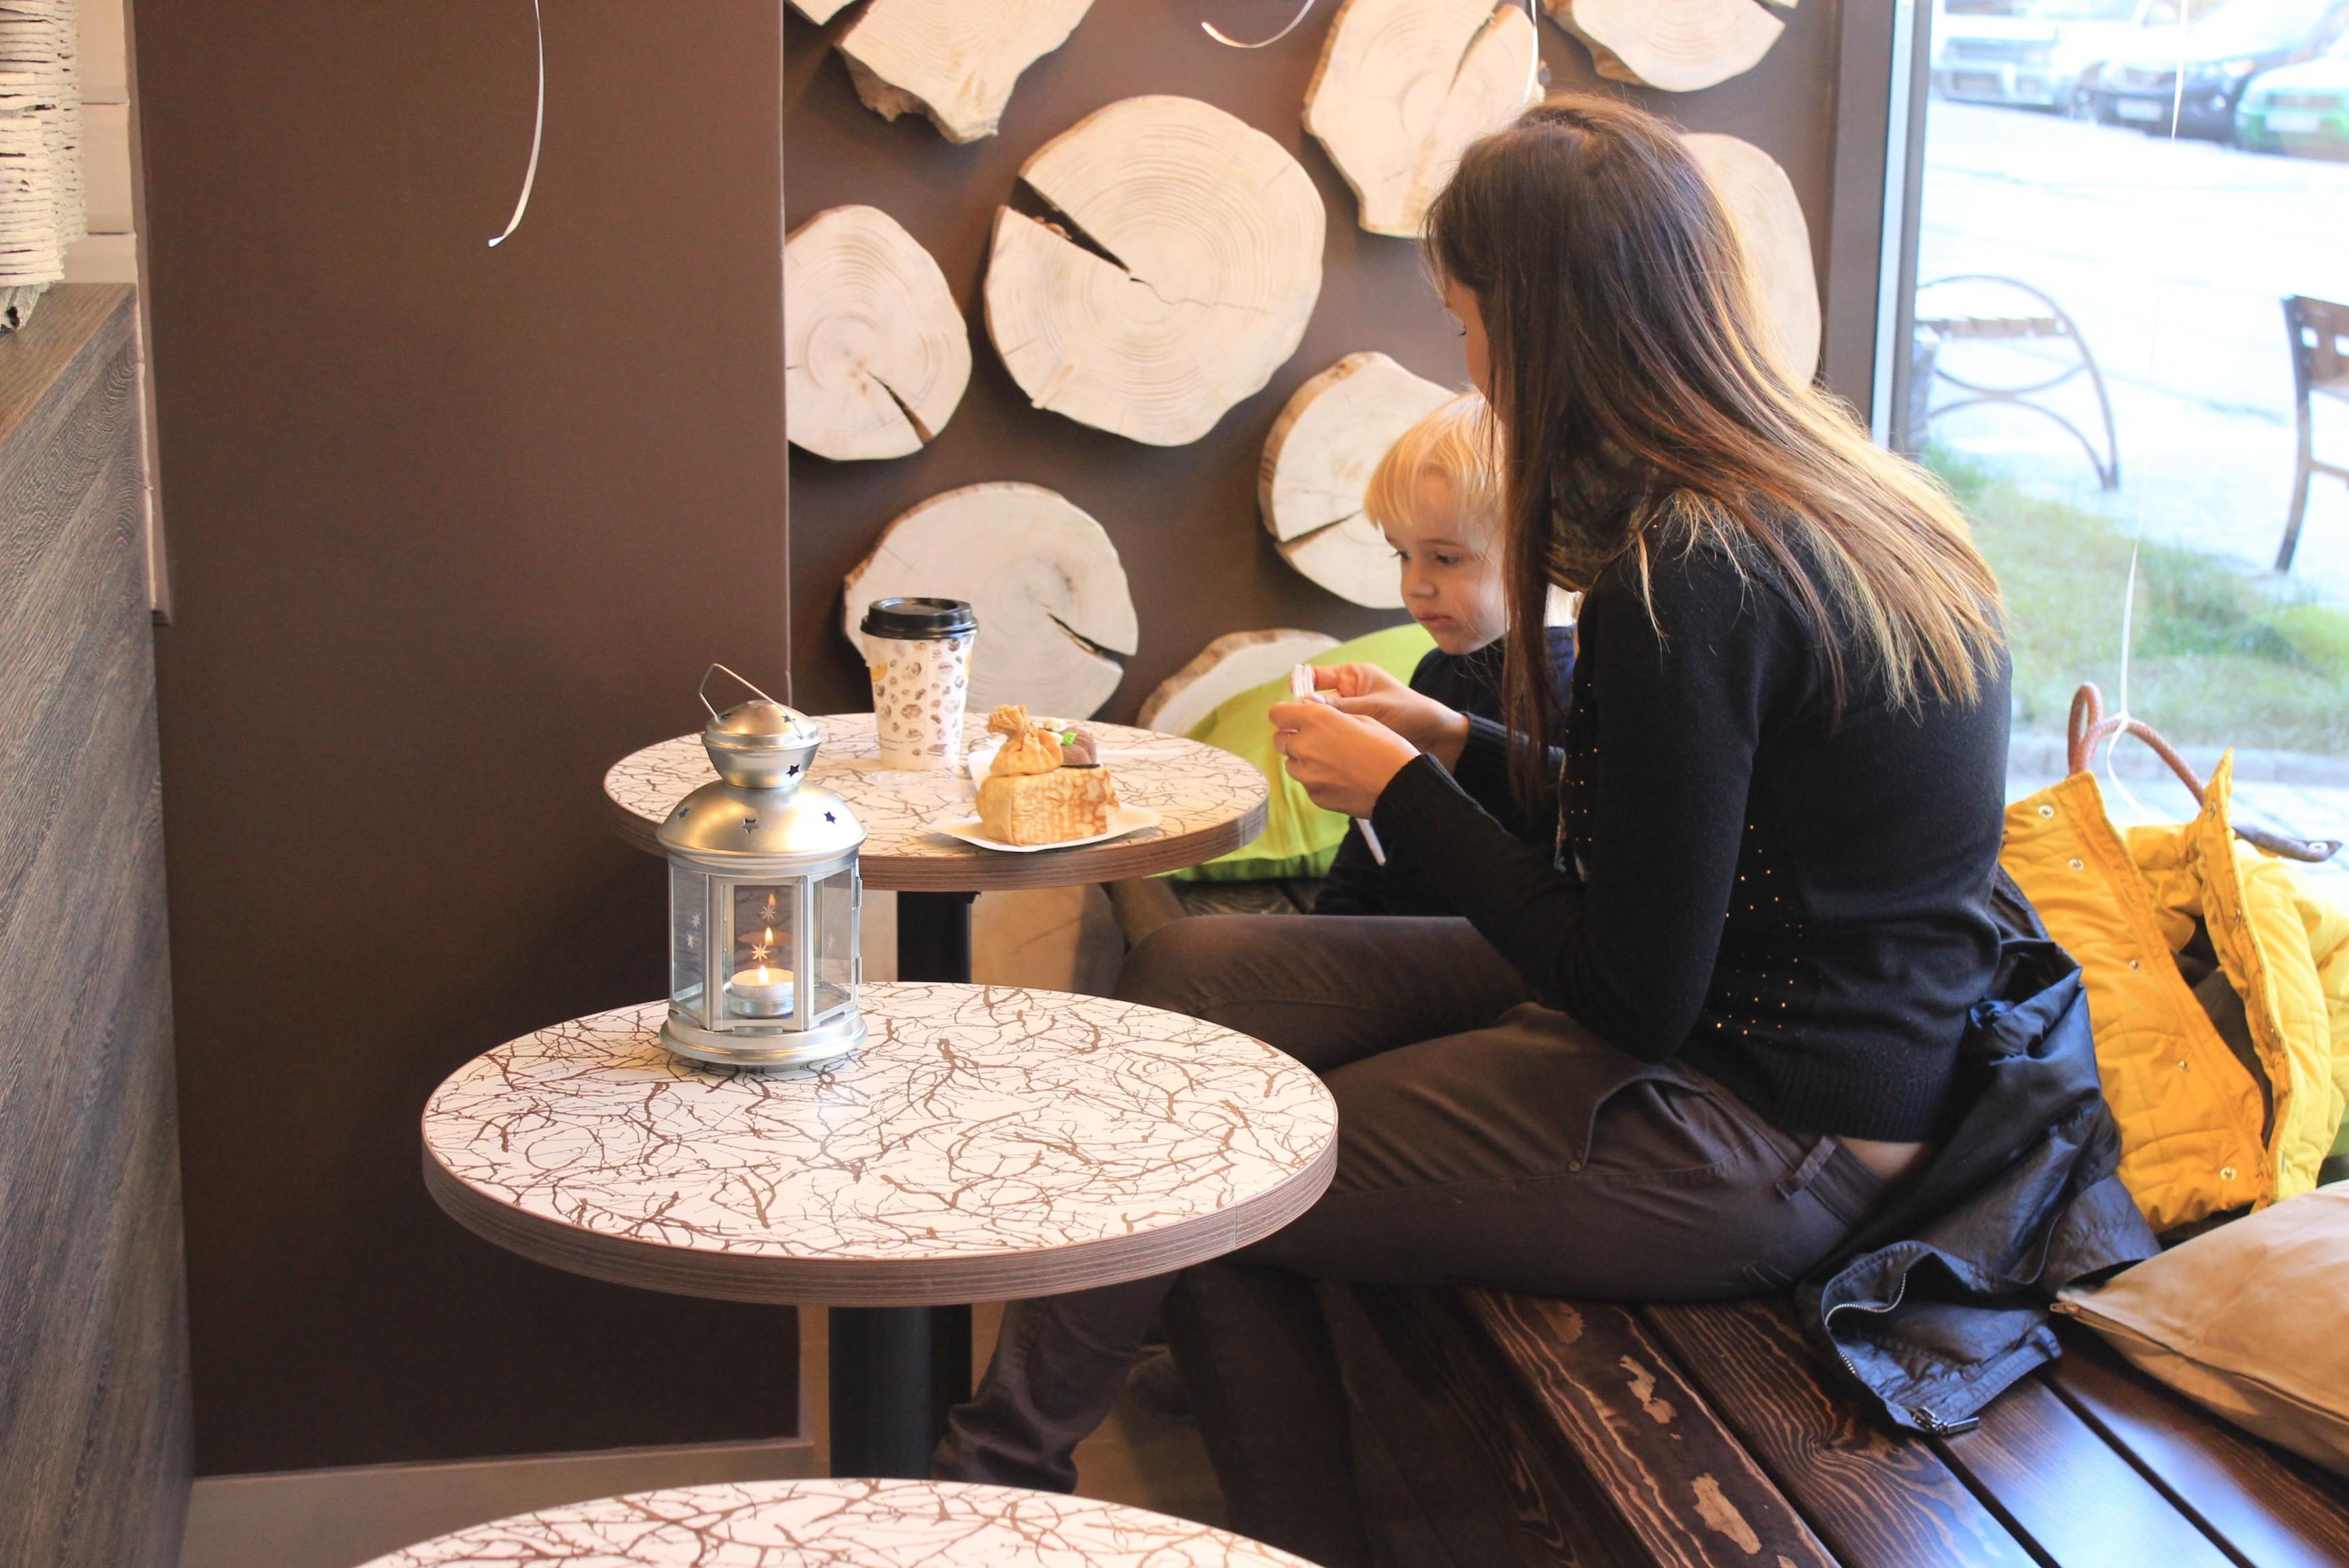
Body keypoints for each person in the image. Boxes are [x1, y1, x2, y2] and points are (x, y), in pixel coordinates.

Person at [937, 95, 2011, 1568]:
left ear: (1545, 324)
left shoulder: (1690, 572)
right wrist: (1458, 744)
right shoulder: (1816, 498)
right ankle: (1004, 1473)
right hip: (1752, 1034)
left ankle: (1017, 1493)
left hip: (1770, 1126)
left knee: (1206, 1179)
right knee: (1192, 976)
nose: (1472, 363)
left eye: (1467, 323)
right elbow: (1708, 845)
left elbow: (1632, 988)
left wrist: (1402, 796)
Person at [1314, 389, 1574, 917]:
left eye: (1446, 558)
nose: (1415, 585)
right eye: (1402, 554)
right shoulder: (1435, 672)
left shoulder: (1573, 691)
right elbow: (1370, 841)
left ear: (1543, 549)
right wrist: (1325, 925)